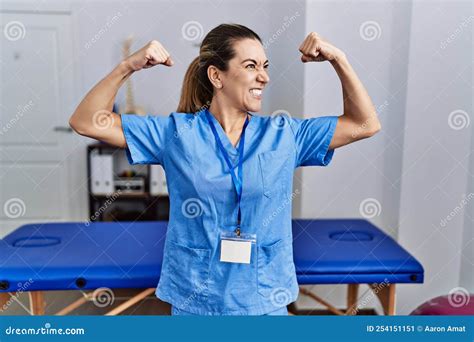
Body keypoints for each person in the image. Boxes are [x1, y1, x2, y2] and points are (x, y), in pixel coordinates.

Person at [69, 23, 381, 315]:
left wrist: (338, 59)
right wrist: (128, 66)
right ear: (217, 76)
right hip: (195, 302)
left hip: (265, 301)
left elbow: (365, 123)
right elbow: (85, 121)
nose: (264, 77)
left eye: (265, 66)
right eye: (251, 66)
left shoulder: (285, 135)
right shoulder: (175, 133)